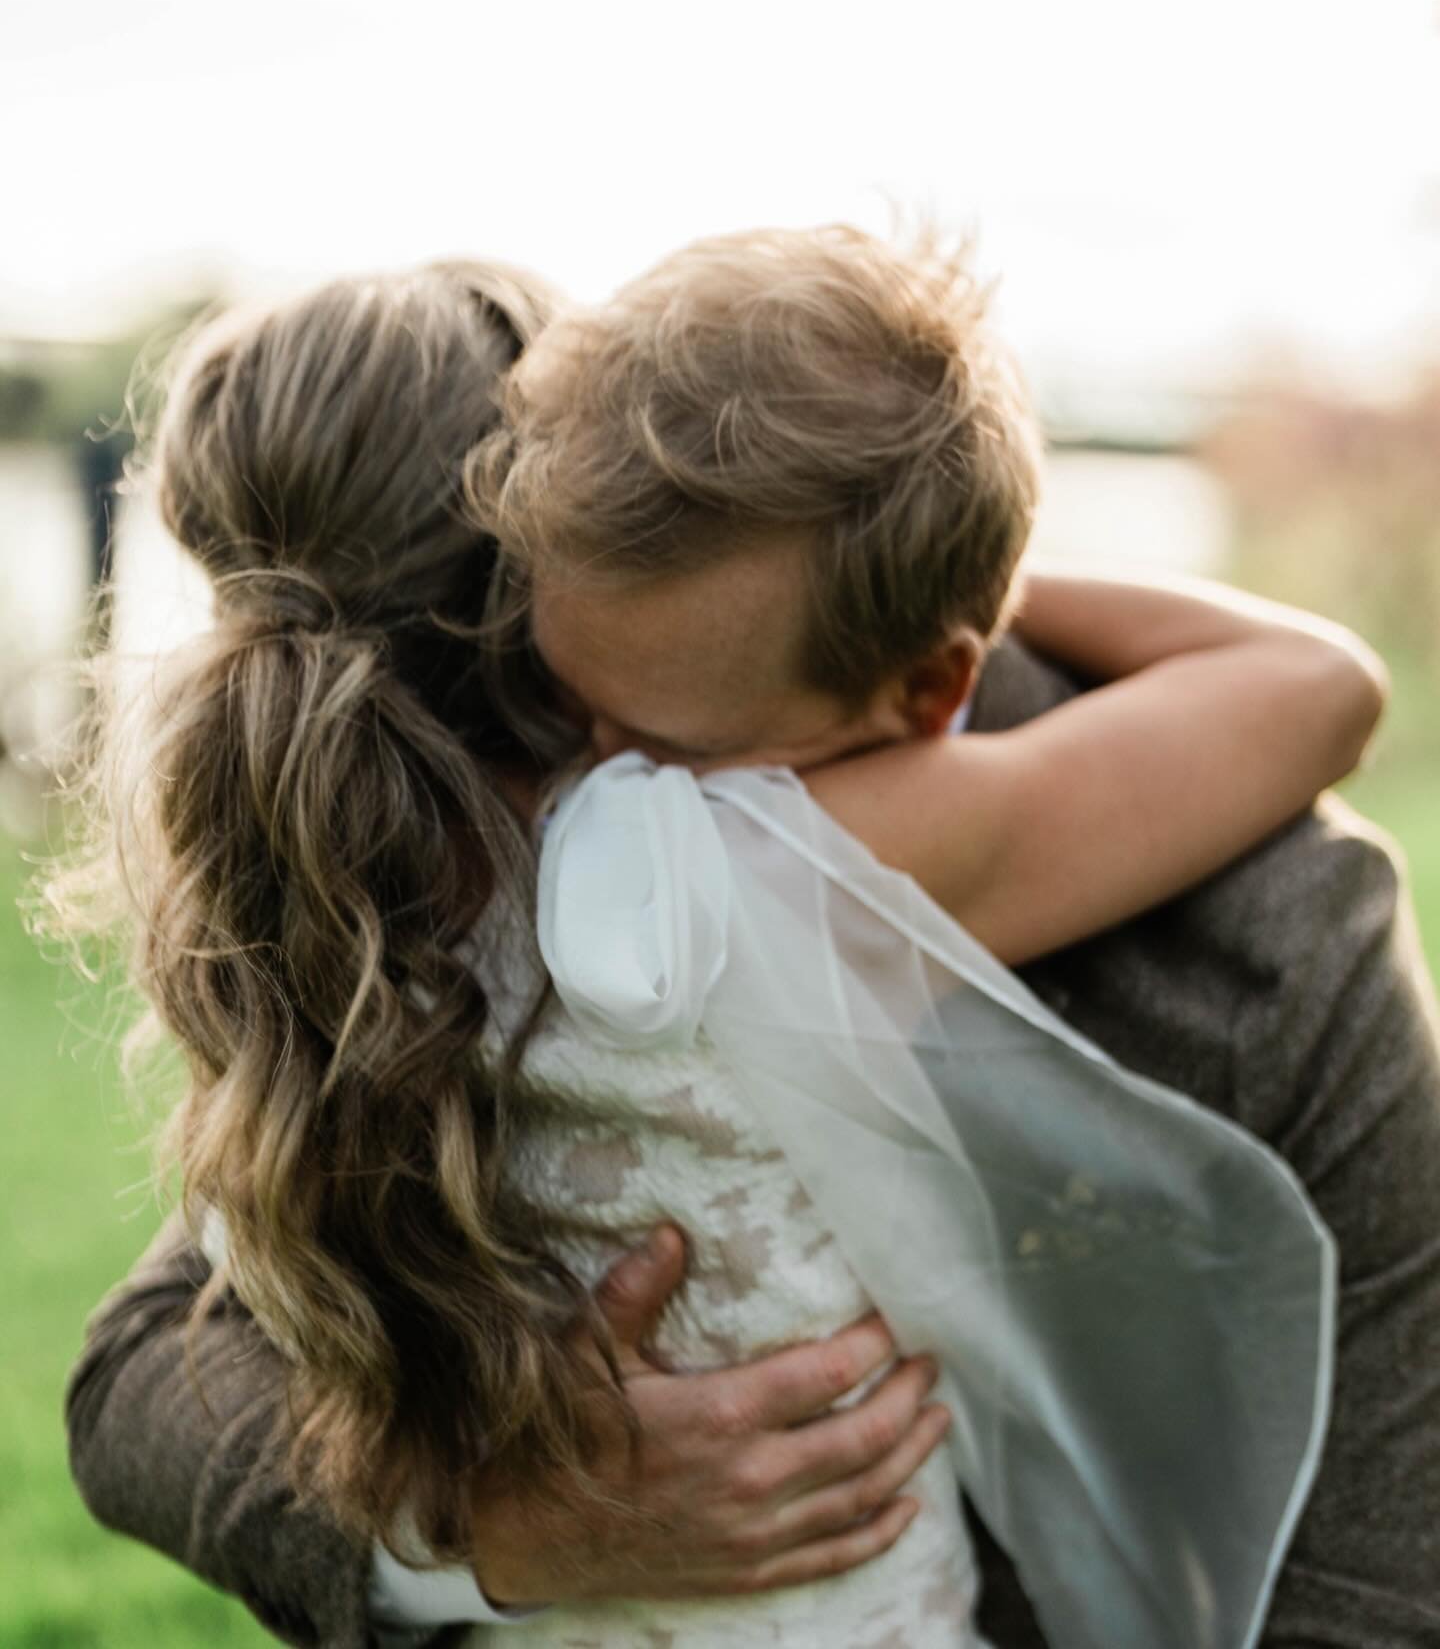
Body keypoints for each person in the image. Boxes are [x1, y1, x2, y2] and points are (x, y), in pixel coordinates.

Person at [59, 247, 1439, 1645]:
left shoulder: (1277, 938)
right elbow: (141, 1380)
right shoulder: (517, 877)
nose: (615, 784)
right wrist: (489, 1527)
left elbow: (1376, 1592)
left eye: (657, 741)